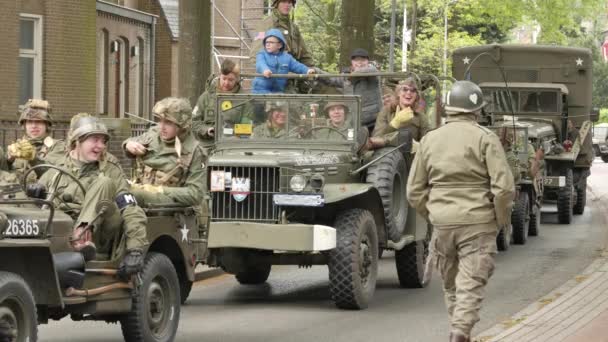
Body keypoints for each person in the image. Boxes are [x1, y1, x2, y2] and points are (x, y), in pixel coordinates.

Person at [407, 81, 515, 342]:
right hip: (478, 222)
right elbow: (504, 188)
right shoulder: (485, 138)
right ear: (476, 110)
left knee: (452, 285)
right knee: (471, 285)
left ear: (450, 108)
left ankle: (459, 332)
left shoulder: (430, 139)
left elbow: (413, 191)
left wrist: (434, 214)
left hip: (443, 225)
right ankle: (460, 334)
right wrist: (500, 220)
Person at [28, 116, 148, 277]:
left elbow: (130, 208)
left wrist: (135, 249)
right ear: (78, 140)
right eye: (95, 140)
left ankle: (81, 238)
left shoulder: (110, 170)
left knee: (104, 183)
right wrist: (35, 193)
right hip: (61, 232)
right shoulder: (56, 169)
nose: (101, 146)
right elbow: (36, 206)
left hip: (100, 233)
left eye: (103, 141)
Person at [123, 98, 206, 208]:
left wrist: (160, 190)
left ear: (182, 125)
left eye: (168, 122)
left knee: (131, 196)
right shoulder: (153, 135)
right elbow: (130, 143)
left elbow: (195, 194)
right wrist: (128, 145)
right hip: (141, 193)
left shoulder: (195, 152)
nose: (161, 127)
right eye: (160, 120)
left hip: (169, 205)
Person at [192, 59, 250, 147]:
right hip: (207, 145)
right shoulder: (206, 97)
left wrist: (234, 134)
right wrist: (207, 130)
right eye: (224, 78)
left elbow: (247, 125)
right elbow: (194, 122)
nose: (226, 83)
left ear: (237, 80)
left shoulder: (244, 99)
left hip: (232, 145)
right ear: (220, 76)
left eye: (231, 80)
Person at [322, 48, 382, 129]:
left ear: (368, 61)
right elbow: (331, 79)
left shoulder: (373, 73)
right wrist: (315, 71)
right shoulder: (346, 76)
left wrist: (352, 75)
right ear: (352, 62)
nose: (359, 62)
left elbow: (371, 70)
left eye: (363, 60)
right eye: (356, 60)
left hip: (373, 122)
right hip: (352, 122)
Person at [6, 99, 66, 180]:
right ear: (24, 125)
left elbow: (53, 176)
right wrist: (8, 162)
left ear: (47, 125)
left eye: (39, 122)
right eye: (30, 122)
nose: (34, 126)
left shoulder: (58, 147)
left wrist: (34, 158)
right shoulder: (17, 147)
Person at [369, 78, 429, 149]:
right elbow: (376, 139)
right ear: (398, 93)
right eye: (405, 89)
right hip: (387, 155)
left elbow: (427, 142)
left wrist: (418, 146)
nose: (409, 93)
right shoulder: (386, 111)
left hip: (410, 156)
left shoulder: (420, 117)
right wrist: (395, 122)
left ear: (416, 96)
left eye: (413, 90)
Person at [250, 0, 314, 67]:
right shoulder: (264, 25)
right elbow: (255, 55)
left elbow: (304, 54)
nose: (287, 5)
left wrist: (311, 67)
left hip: (296, 68)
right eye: (283, 2)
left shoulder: (294, 27)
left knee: (323, 75)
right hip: (277, 71)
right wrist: (268, 70)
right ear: (276, 4)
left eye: (289, 2)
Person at [252, 29, 315, 94]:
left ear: (280, 45)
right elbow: (260, 63)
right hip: (260, 90)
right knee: (269, 101)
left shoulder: (287, 57)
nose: (267, 44)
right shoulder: (261, 54)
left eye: (271, 42)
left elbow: (297, 66)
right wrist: (265, 70)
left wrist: (307, 70)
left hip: (277, 90)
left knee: (282, 101)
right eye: (266, 42)